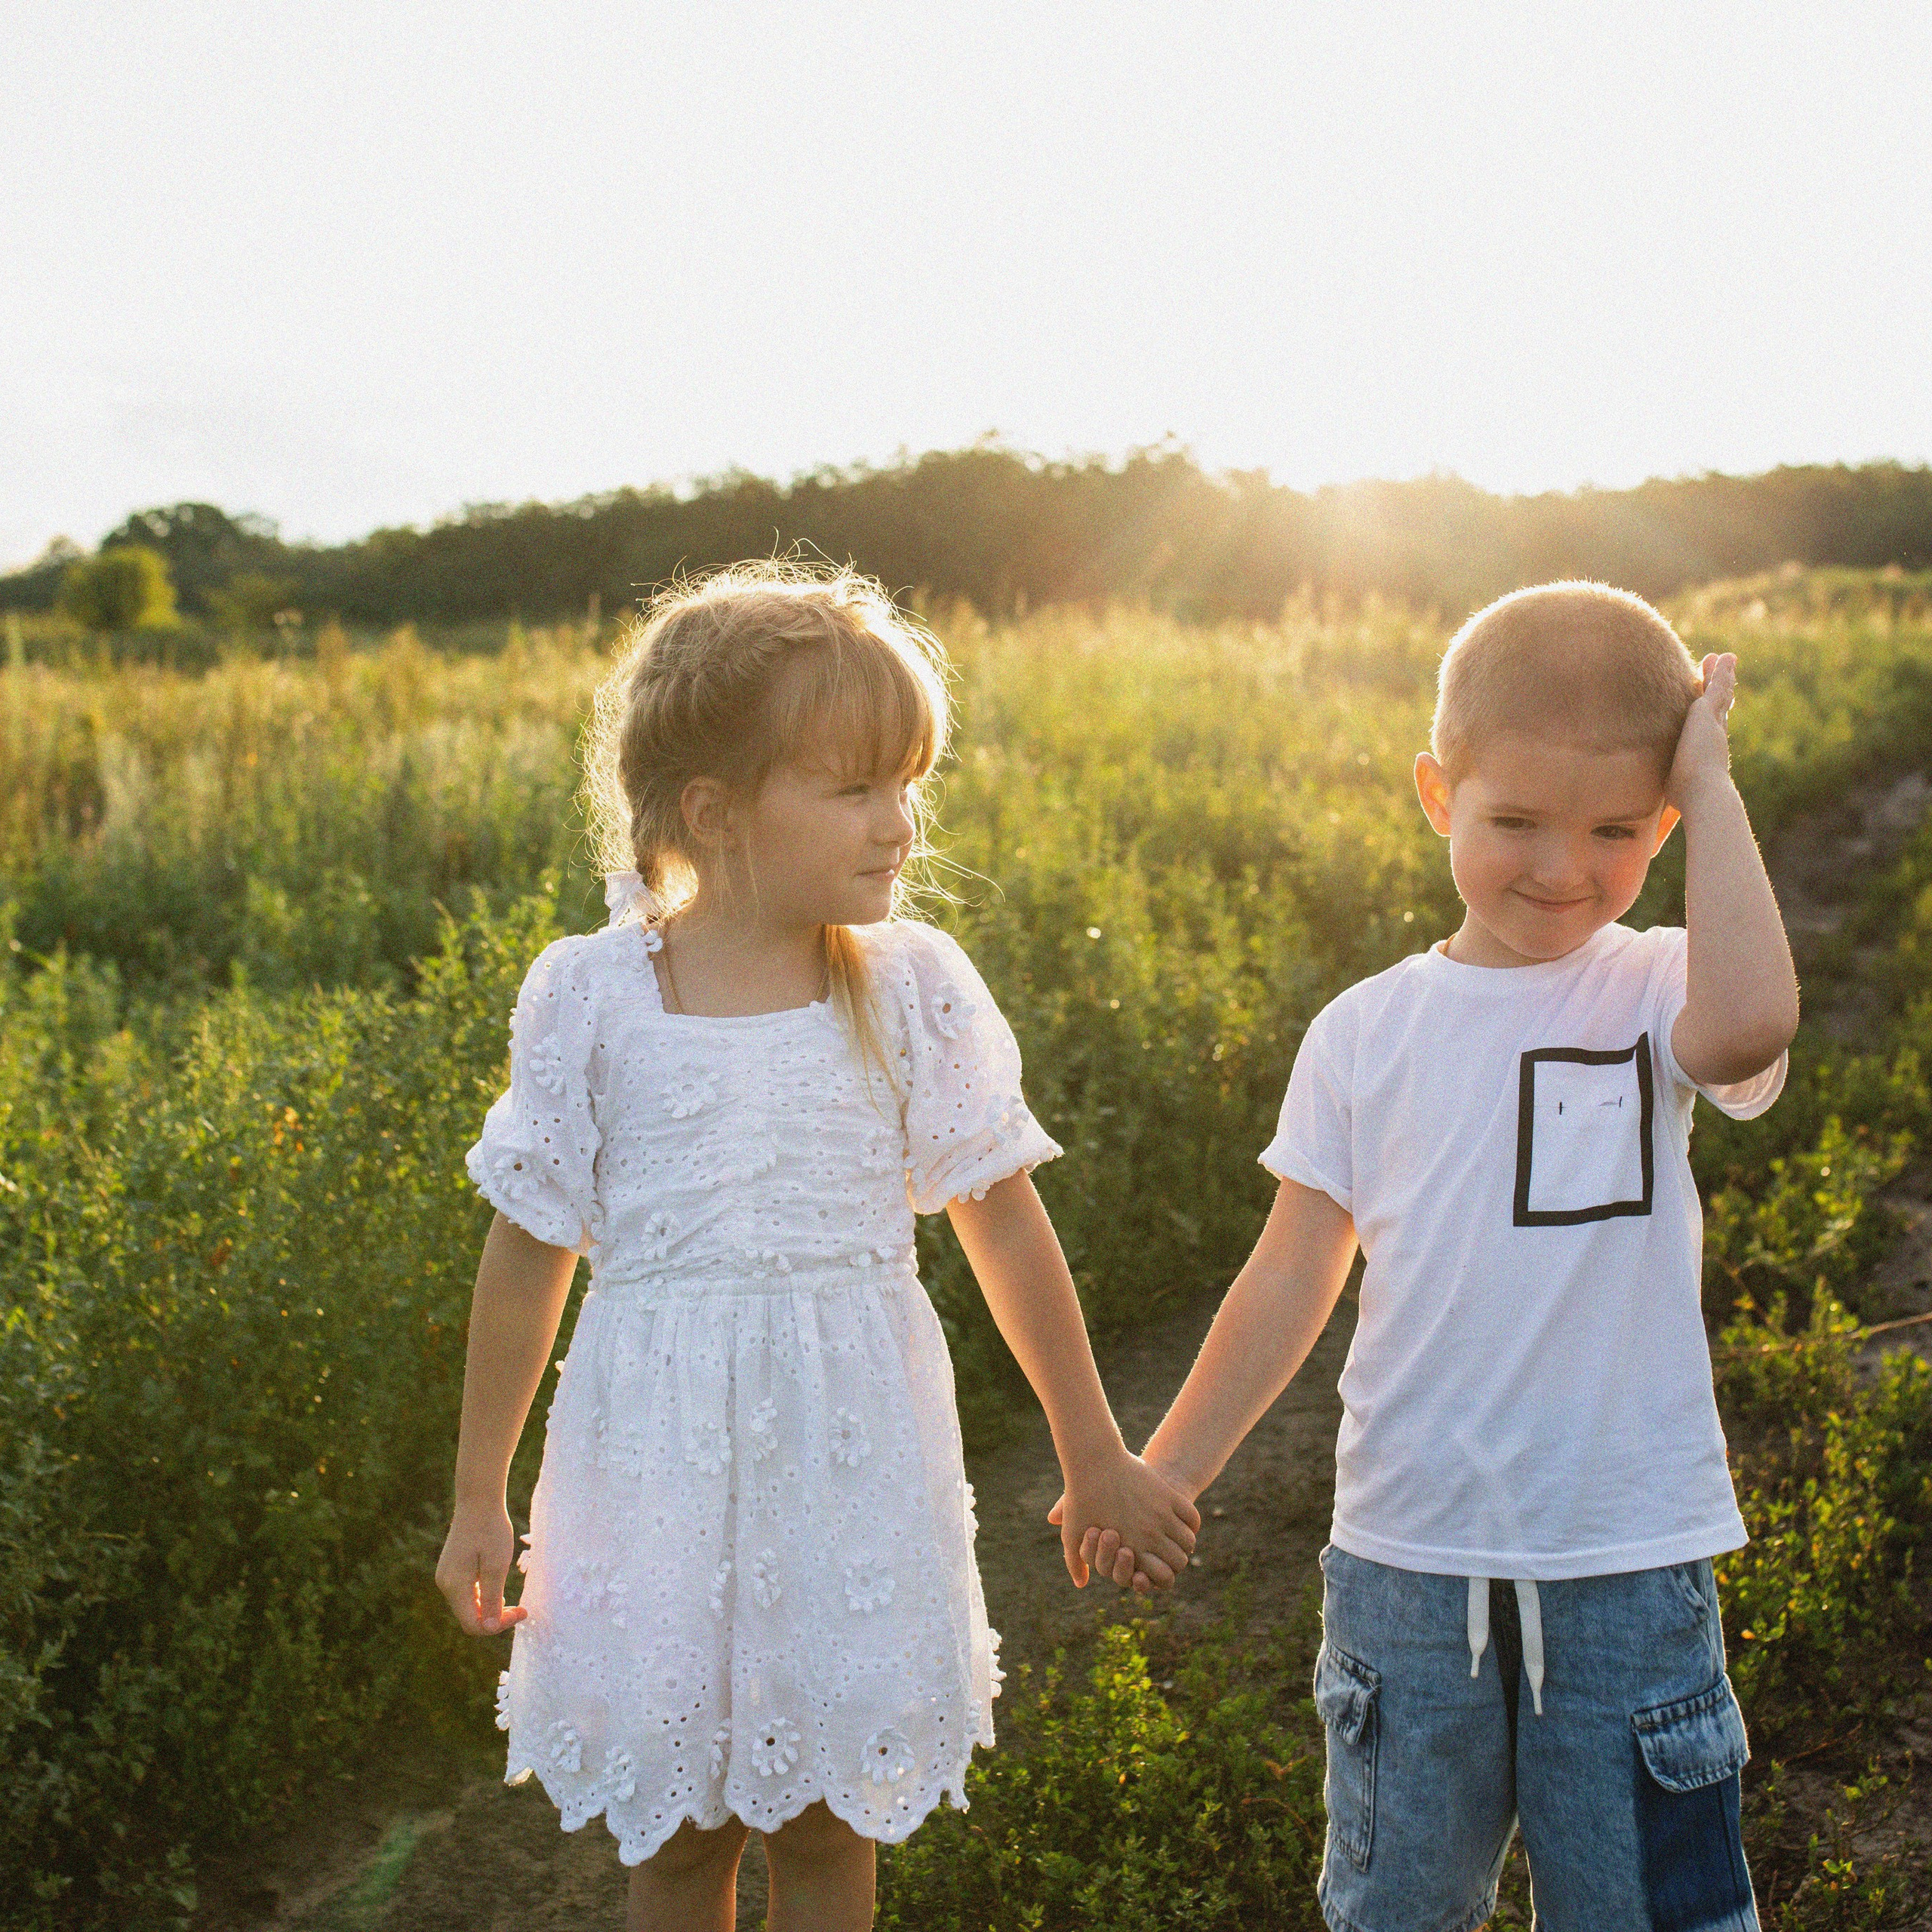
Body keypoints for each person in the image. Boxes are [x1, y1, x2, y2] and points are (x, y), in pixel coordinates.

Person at [433, 561, 1198, 1932]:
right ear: (713, 812)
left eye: (908, 783)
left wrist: (1093, 1453)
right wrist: (482, 1494)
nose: (900, 825)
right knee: (677, 1841)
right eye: (853, 790)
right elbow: (528, 1245)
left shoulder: (909, 984)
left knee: (834, 1827)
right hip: (651, 1462)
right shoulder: (590, 994)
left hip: (848, 1456)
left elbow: (1004, 1221)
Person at [1091, 583, 1796, 1930]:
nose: (1561, 869)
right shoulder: (1367, 1031)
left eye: (1615, 832)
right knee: (1397, 1904)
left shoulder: (1654, 987)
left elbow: (1753, 1024)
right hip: (1410, 1566)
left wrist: (1713, 790)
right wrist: (1167, 1464)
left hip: (1625, 1555)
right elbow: (1293, 1271)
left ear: (1665, 824)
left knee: (1648, 1909)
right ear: (1437, 795)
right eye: (1514, 822)